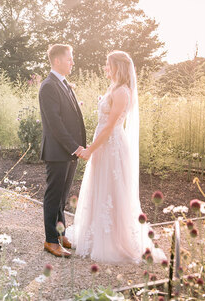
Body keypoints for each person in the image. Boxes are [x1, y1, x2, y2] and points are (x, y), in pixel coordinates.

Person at [68, 50, 166, 263]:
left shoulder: (122, 92)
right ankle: (95, 234)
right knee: (100, 187)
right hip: (104, 145)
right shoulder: (114, 88)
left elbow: (110, 127)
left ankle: (112, 240)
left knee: (112, 189)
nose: (105, 68)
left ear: (118, 68)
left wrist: (90, 149)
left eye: (108, 65)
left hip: (111, 146)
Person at [38, 44, 86, 258]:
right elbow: (55, 124)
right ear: (57, 61)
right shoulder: (48, 86)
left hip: (69, 152)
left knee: (62, 197)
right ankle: (50, 240)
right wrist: (74, 147)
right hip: (58, 152)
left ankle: (61, 234)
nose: (72, 62)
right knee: (53, 196)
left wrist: (78, 147)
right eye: (69, 59)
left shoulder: (64, 84)